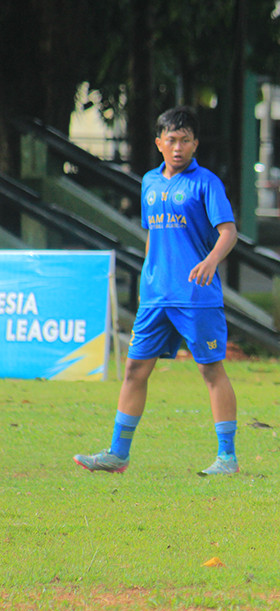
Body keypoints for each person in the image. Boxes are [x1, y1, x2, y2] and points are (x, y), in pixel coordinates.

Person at [74, 106, 240, 476]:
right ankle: (118, 454)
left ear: (195, 144)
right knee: (134, 369)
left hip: (196, 295)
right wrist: (148, 279)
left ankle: (227, 458)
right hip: (156, 297)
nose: (177, 147)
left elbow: (229, 232)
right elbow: (153, 236)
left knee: (211, 370)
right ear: (159, 143)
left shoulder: (207, 183)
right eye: (171, 140)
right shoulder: (149, 181)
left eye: (184, 140)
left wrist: (211, 260)